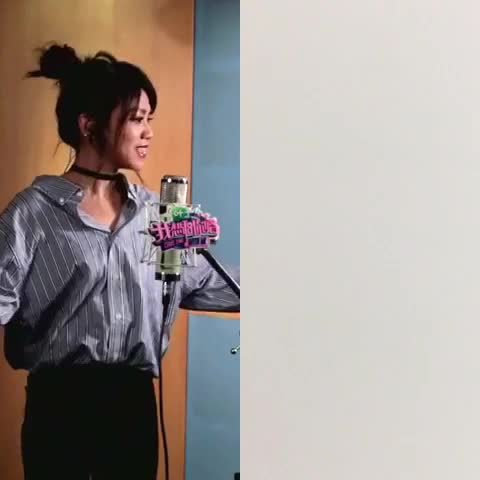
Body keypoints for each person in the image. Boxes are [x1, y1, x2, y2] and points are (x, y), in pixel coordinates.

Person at [0, 43, 239, 480]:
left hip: (133, 409)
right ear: (89, 125)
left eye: (150, 119)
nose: (148, 132)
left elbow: (211, 282)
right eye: (136, 118)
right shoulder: (30, 213)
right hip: (58, 411)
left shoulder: (160, 214)